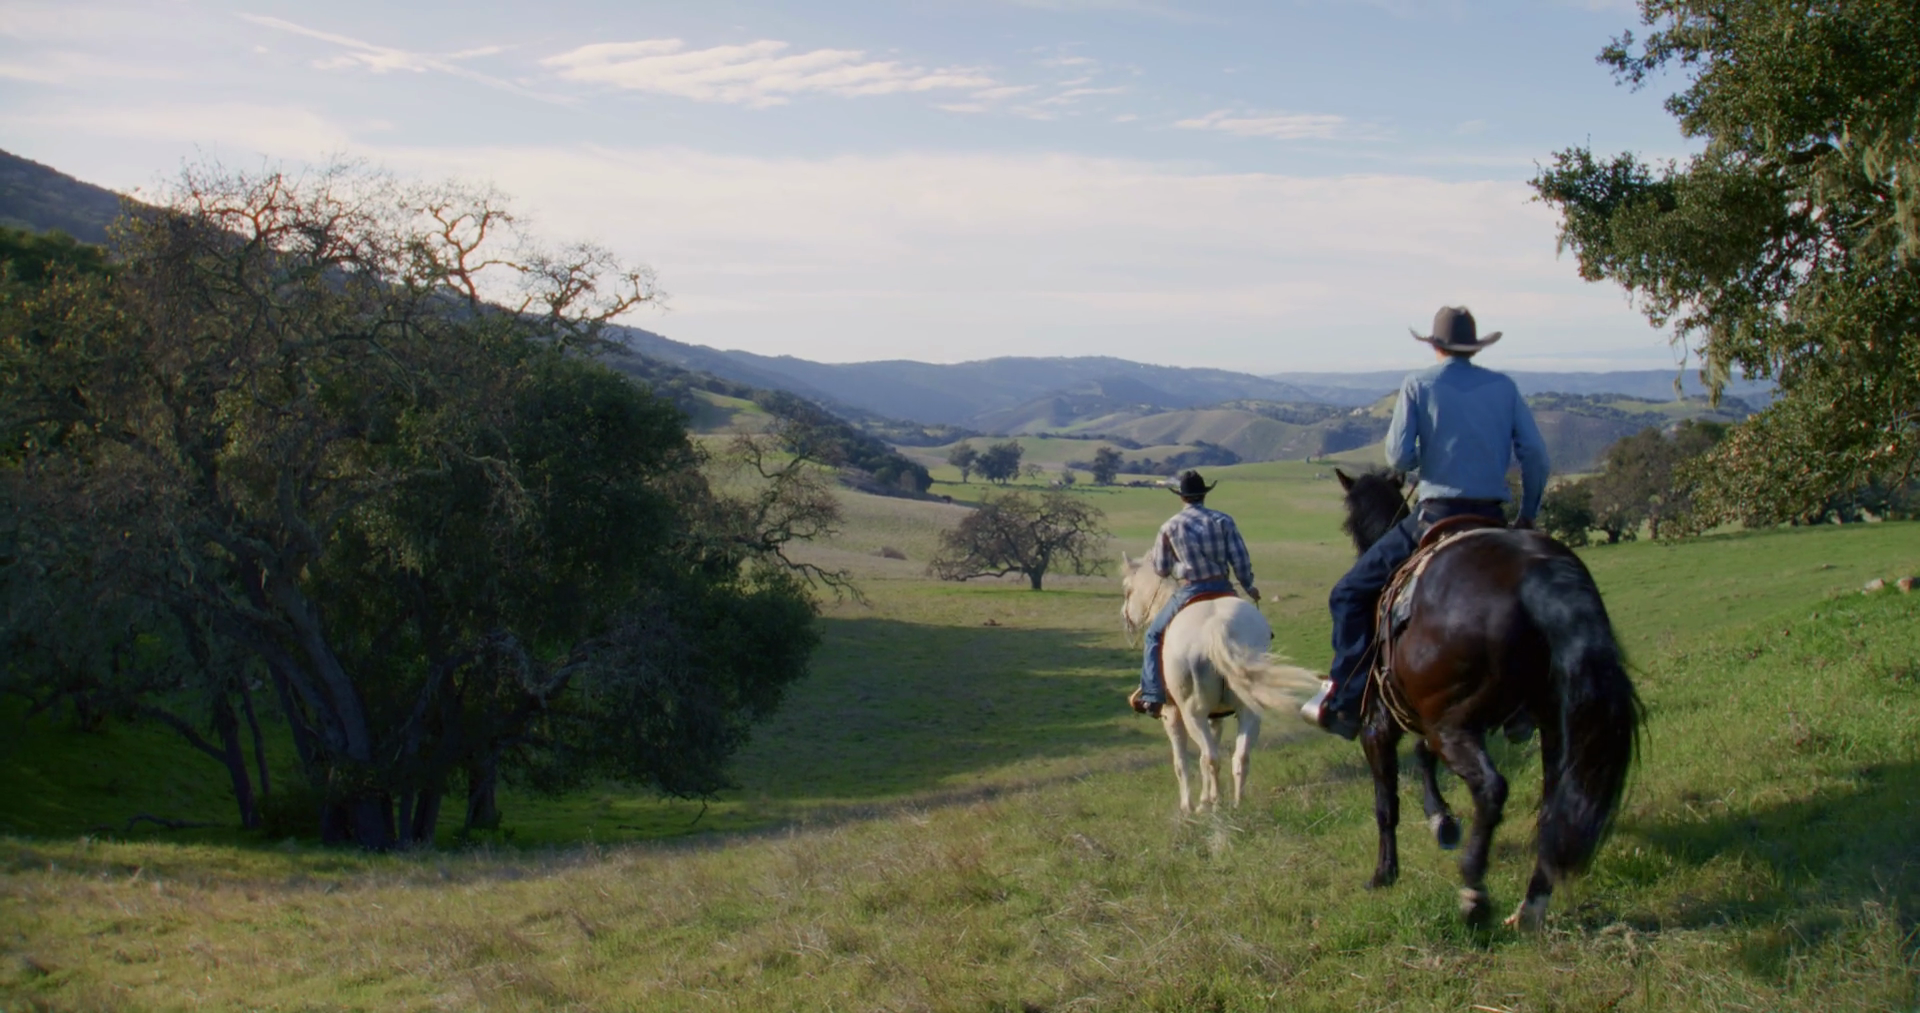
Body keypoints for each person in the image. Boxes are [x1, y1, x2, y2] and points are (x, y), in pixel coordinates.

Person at [1305, 306, 1550, 740]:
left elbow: (1398, 458)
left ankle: (1347, 701)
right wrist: (1527, 514)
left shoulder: (1418, 384)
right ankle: (1528, 701)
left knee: (1348, 594)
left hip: (1436, 518)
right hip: (1492, 519)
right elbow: (1536, 456)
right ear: (1474, 348)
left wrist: (1431, 455)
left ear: (1435, 346)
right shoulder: (1504, 387)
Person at [1130, 470, 1262, 718]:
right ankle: (1258, 688)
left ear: (1181, 497)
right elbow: (1240, 559)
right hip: (1223, 587)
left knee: (1153, 635)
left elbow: (1161, 569)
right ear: (1204, 495)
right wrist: (1248, 586)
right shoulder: (1224, 520)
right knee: (1257, 630)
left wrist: (1178, 565)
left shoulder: (1169, 526)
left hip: (1191, 589)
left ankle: (1153, 695)